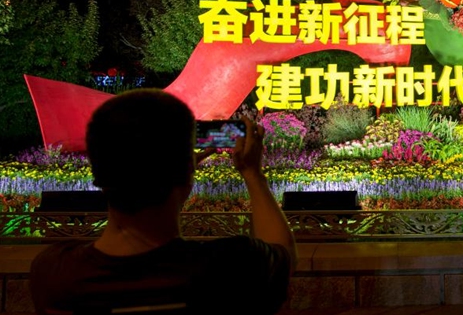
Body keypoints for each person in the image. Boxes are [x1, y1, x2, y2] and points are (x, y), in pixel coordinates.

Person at [29, 88, 297, 314]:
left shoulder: (55, 273)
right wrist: (253, 174)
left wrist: (177, 174)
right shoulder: (229, 269)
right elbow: (283, 255)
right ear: (185, 177)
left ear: (98, 171)